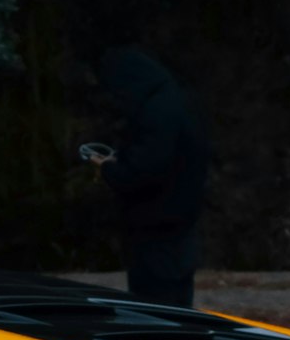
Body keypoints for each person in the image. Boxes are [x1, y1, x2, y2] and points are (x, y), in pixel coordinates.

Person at [90, 48, 210, 307]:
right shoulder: (180, 101)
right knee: (178, 306)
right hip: (180, 222)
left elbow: (145, 169)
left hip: (156, 226)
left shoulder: (157, 112)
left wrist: (108, 169)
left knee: (155, 307)